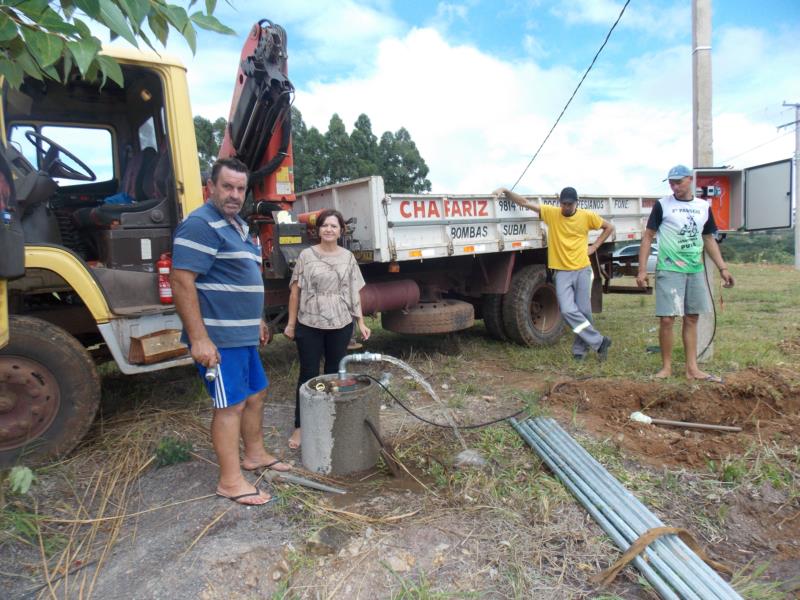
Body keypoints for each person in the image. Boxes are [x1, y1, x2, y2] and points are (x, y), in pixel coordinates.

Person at [171, 157, 290, 507]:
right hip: (220, 340)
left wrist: (257, 319)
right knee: (230, 407)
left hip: (243, 335)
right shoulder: (200, 225)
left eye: (240, 188)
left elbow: (239, 279)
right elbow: (181, 282)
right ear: (211, 187)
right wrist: (199, 338)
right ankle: (231, 480)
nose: (234, 194)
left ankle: (253, 456)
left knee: (256, 394)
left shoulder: (237, 225)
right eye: (227, 186)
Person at [636, 164, 734, 381]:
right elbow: (648, 236)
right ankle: (666, 368)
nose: (674, 186)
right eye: (671, 182)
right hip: (670, 268)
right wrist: (642, 270)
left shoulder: (702, 207)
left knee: (692, 318)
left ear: (690, 180)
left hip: (695, 270)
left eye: (678, 182)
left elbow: (708, 239)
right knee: (667, 320)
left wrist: (723, 268)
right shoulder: (663, 205)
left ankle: (692, 368)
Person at [493, 186, 615, 360]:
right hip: (562, 272)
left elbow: (609, 227)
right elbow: (525, 203)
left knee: (584, 311)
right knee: (567, 310)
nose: (566, 207)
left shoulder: (587, 216)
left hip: (582, 269)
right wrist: (506, 190)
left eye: (569, 204)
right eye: (563, 203)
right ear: (560, 203)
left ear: (576, 203)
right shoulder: (552, 214)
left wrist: (595, 246)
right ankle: (600, 342)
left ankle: (579, 351)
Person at [283, 209, 371, 449]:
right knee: (309, 373)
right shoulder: (306, 256)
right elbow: (295, 292)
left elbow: (354, 292)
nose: (329, 229)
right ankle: (301, 426)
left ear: (341, 230)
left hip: (340, 323)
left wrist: (360, 321)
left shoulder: (348, 257)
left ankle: (329, 419)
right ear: (318, 230)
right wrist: (291, 324)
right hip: (308, 323)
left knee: (334, 373)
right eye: (325, 226)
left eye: (334, 226)